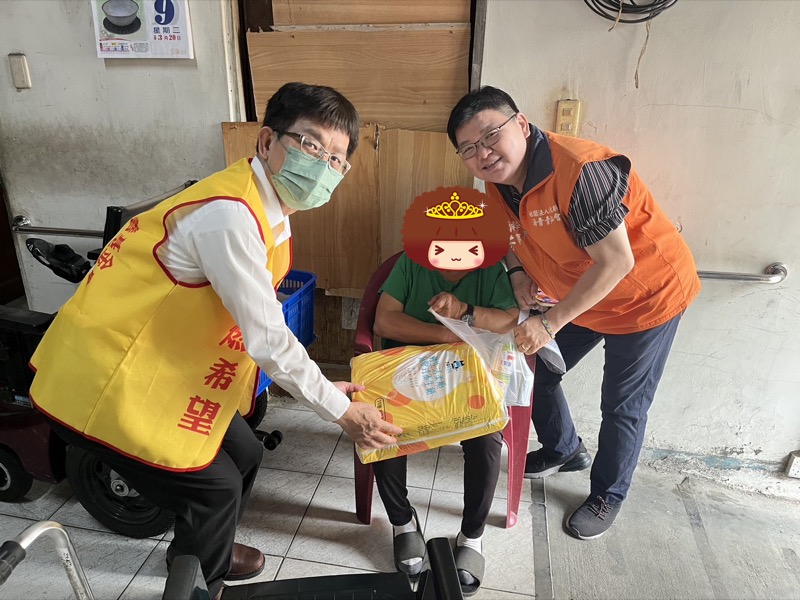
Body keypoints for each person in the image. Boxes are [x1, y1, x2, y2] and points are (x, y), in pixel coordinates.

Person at [29, 82, 401, 599]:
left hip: (161, 365)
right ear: (267, 141)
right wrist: (339, 411)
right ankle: (203, 582)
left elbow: (256, 321)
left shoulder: (269, 208)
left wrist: (324, 390)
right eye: (311, 145)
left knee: (245, 452)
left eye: (337, 159)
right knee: (215, 487)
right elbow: (267, 337)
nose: (323, 166)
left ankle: (204, 553)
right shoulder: (230, 215)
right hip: (108, 375)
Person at [446, 86, 700, 540]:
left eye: (490, 136)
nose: (483, 153)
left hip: (644, 298)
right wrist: (518, 274)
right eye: (469, 149)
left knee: (621, 406)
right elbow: (506, 234)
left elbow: (616, 262)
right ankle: (564, 449)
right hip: (580, 296)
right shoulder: (497, 181)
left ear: (521, 124)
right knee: (537, 372)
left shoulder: (581, 172)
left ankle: (608, 495)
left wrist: (549, 322)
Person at [371, 187, 519, 597]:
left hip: (467, 374)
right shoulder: (411, 262)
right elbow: (384, 322)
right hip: (405, 369)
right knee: (381, 427)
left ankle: (471, 535)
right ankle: (403, 523)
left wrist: (465, 313)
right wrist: (441, 334)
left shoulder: (492, 270)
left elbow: (509, 321)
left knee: (487, 436)